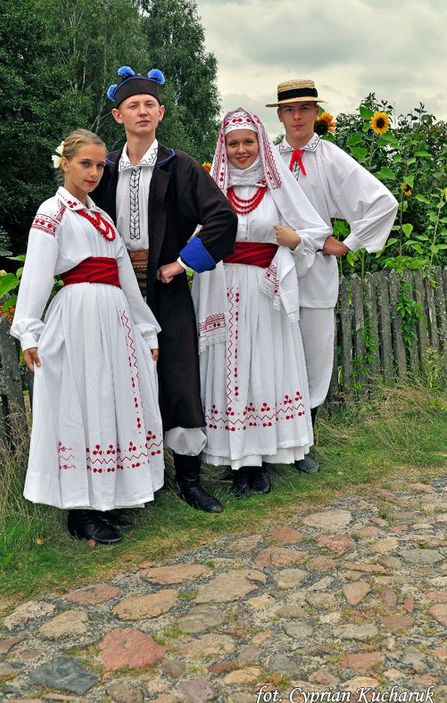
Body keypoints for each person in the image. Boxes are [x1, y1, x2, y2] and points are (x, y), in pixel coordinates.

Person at [92, 66, 237, 513]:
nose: (141, 112)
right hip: (116, 290)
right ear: (118, 116)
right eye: (132, 105)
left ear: (161, 113)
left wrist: (181, 263)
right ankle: (131, 481)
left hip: (164, 287)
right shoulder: (105, 168)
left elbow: (221, 218)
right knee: (121, 379)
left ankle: (189, 481)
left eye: (148, 105)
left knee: (177, 376)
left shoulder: (180, 166)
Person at [11, 129, 164, 545]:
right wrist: (28, 330)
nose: (95, 172)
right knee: (81, 404)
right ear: (65, 163)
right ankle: (81, 512)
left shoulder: (103, 217)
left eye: (100, 165)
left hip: (113, 320)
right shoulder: (52, 213)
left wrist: (145, 326)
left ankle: (108, 501)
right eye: (86, 164)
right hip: (78, 320)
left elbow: (125, 280)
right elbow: (39, 275)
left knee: (111, 402)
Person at [192, 108, 331, 497]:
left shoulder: (278, 189)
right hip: (224, 289)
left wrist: (292, 241)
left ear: (261, 144)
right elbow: (197, 236)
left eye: (248, 142)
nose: (241, 150)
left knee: (263, 370)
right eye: (233, 143)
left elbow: (314, 231)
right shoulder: (214, 191)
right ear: (224, 146)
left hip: (266, 294)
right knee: (230, 370)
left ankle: (262, 459)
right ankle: (239, 463)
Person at [267, 79, 398, 473]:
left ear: (315, 113)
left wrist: (348, 243)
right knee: (273, 354)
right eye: (289, 110)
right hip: (274, 271)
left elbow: (381, 201)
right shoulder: (269, 159)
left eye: (305, 109)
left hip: (317, 273)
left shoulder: (330, 158)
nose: (297, 117)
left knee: (315, 356)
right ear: (279, 114)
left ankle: (304, 442)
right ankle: (271, 442)